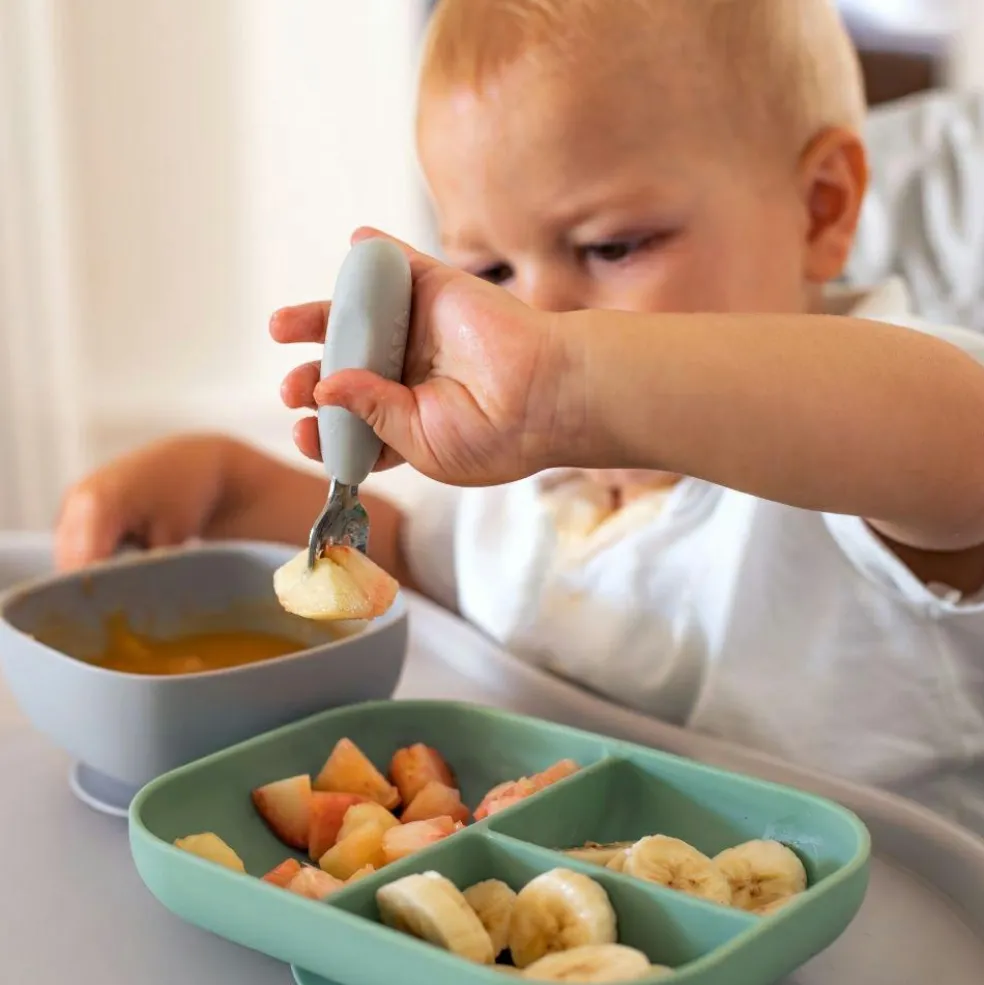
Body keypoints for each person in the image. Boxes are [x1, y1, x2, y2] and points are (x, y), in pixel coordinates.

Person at [55, 0, 984, 834]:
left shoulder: (863, 422)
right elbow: (418, 568)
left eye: (611, 246)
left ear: (820, 209)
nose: (536, 314)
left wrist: (571, 383)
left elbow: (962, 451)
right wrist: (231, 486)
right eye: (491, 270)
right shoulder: (530, 481)